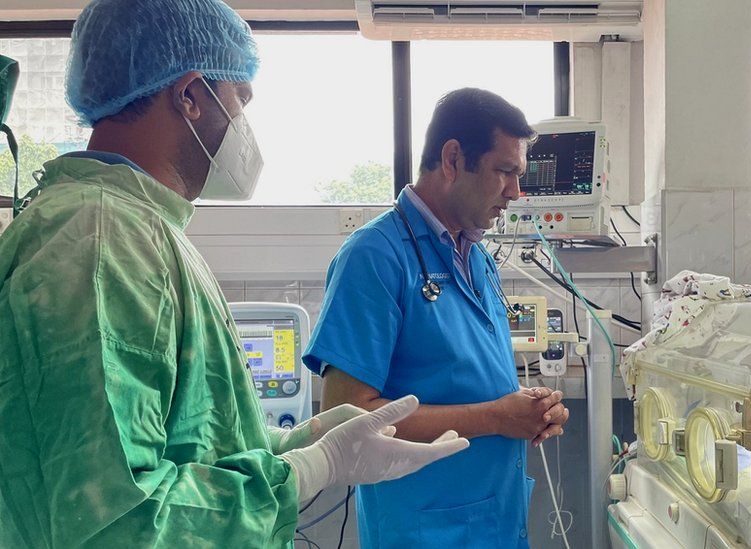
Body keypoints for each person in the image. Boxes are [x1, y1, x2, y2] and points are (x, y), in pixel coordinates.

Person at [0, 1, 467, 546]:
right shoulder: (99, 241)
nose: (244, 125)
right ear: (191, 97)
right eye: (240, 100)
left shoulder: (140, 229)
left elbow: (200, 444)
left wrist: (308, 440)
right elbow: (116, 518)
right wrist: (312, 470)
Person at [303, 88, 571, 547]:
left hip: (494, 517)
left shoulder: (477, 256)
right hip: (425, 526)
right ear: (452, 159)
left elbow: (464, 378)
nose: (516, 192)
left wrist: (529, 409)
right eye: (505, 171)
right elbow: (345, 420)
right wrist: (495, 417)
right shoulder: (375, 256)